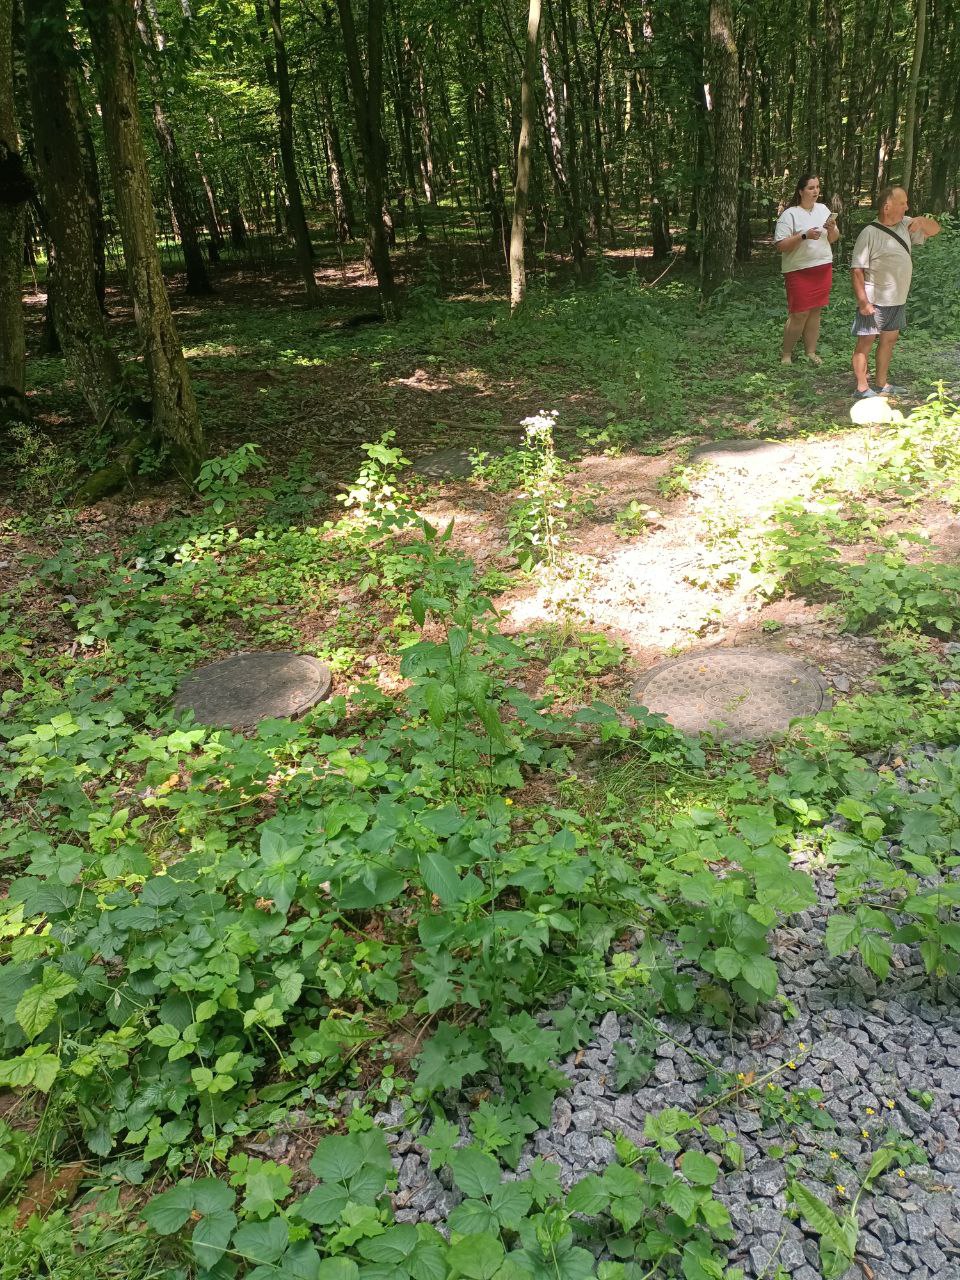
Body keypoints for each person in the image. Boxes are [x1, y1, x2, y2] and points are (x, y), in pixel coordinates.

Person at [850, 186, 940, 399]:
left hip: (897, 299)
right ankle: (861, 388)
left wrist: (922, 221)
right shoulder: (869, 233)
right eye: (902, 203)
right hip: (874, 300)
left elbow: (935, 229)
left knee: (889, 341)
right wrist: (863, 302)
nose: (906, 207)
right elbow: (857, 270)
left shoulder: (905, 225)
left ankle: (882, 384)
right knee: (865, 343)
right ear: (887, 207)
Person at [774, 174, 840, 365]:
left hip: (822, 267)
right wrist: (804, 235)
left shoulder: (823, 209)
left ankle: (810, 352)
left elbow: (833, 238)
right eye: (811, 188)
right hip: (798, 270)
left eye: (817, 187)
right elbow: (781, 245)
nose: (815, 191)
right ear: (801, 191)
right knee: (799, 313)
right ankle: (787, 354)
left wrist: (832, 228)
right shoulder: (790, 214)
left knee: (815, 312)